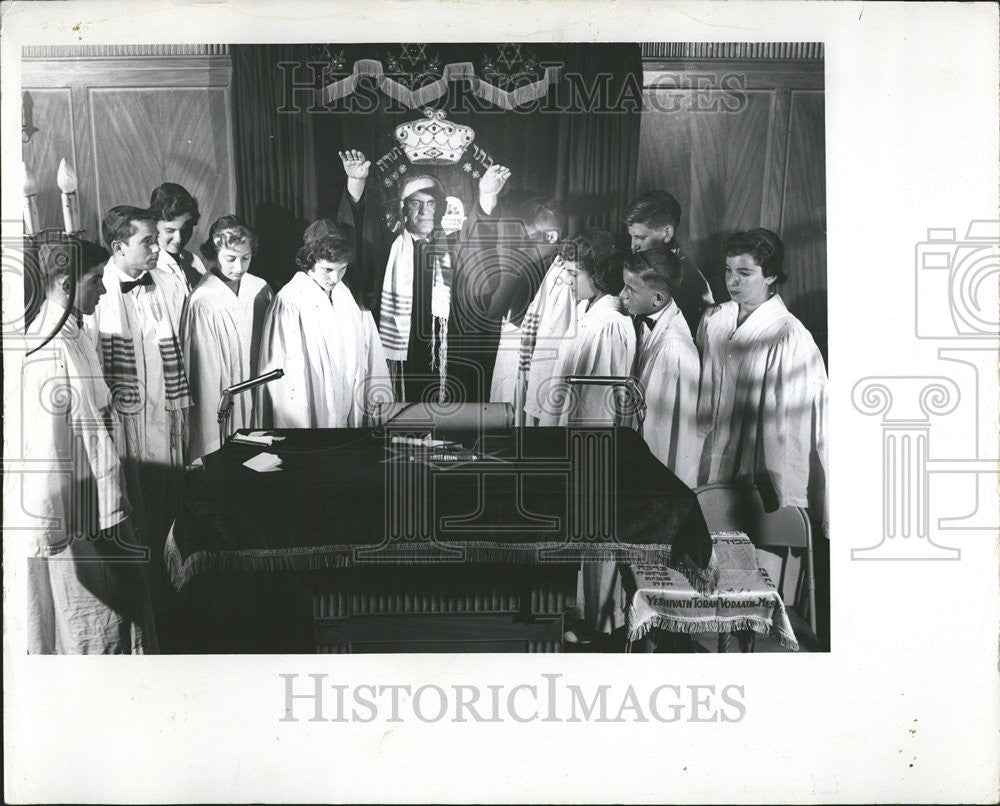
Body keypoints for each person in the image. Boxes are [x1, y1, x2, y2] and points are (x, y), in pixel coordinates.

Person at [20, 238, 158, 653]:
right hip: (76, 514)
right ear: (64, 283)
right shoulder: (49, 351)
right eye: (95, 279)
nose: (102, 288)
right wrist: (56, 524)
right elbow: (46, 448)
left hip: (100, 500)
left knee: (118, 615)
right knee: (89, 622)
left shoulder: (76, 334)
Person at [336, 149, 510, 402]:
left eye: (431, 203)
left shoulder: (456, 247)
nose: (424, 210)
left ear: (442, 208)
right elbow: (360, 229)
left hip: (446, 356)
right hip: (397, 352)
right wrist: (356, 183)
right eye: (415, 203)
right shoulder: (386, 247)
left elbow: (478, 235)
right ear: (403, 208)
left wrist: (487, 194)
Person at [88, 205, 190, 611]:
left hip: (164, 414)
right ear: (118, 247)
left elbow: (179, 344)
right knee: (136, 509)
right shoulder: (100, 291)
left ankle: (173, 591)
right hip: (125, 421)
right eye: (147, 240)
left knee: (169, 505)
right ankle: (146, 596)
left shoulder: (165, 282)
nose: (156, 247)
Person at [696, 228, 828, 533]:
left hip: (755, 474)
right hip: (711, 460)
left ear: (770, 276)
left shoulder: (787, 335)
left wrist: (782, 489)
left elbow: (792, 425)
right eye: (728, 271)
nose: (732, 281)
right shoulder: (716, 320)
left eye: (744, 273)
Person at [256, 228, 392, 428]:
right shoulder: (290, 300)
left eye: (342, 269)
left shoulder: (343, 294)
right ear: (309, 263)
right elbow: (285, 371)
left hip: (344, 401)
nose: (335, 278)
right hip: (312, 404)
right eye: (327, 270)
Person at [180, 216, 274, 459]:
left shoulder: (259, 288)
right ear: (215, 254)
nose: (239, 267)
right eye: (230, 259)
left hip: (257, 384)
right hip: (222, 388)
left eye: (246, 258)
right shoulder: (203, 300)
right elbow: (204, 370)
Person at [620, 248, 702, 488]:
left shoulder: (672, 350)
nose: (621, 295)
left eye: (630, 289)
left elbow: (656, 433)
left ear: (657, 298)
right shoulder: (647, 317)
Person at [537, 229, 636, 427]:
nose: (566, 280)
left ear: (598, 273)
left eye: (573, 273)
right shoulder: (584, 309)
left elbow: (595, 406)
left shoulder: (609, 325)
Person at [489, 197, 567, 406]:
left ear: (551, 236)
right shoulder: (537, 265)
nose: (521, 246)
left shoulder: (551, 270)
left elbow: (493, 311)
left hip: (526, 364)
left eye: (529, 238)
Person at [624, 191, 713, 335]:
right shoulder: (646, 266)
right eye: (632, 237)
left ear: (667, 233)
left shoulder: (689, 281)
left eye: (640, 237)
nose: (633, 245)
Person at [150, 182, 206, 293]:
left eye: (185, 229)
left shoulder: (195, 262)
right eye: (170, 230)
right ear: (154, 225)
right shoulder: (146, 267)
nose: (178, 239)